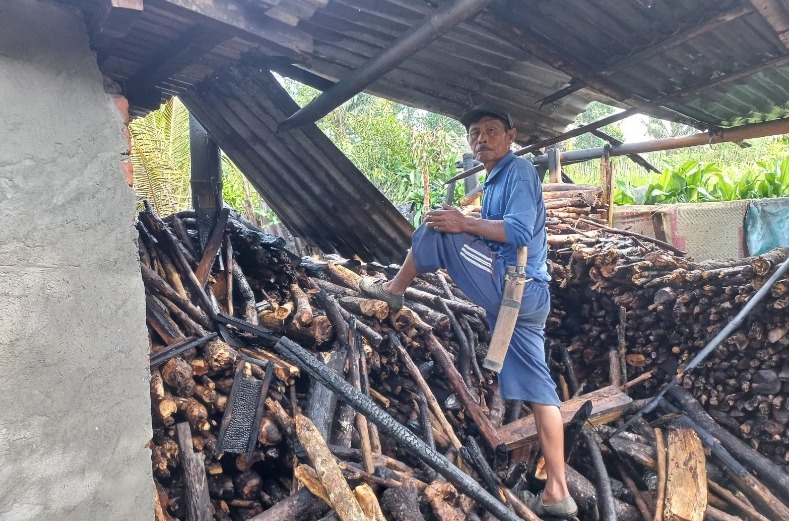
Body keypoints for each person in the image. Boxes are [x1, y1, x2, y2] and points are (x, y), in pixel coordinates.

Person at [359, 103, 577, 519]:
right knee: (540, 391)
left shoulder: (518, 172)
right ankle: (558, 492)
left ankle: (393, 291)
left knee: (435, 227)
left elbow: (517, 231)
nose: (482, 139)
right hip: (527, 297)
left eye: (492, 130)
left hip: (514, 285)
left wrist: (465, 224)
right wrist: (471, 223)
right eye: (475, 133)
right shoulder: (496, 179)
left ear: (512, 136)